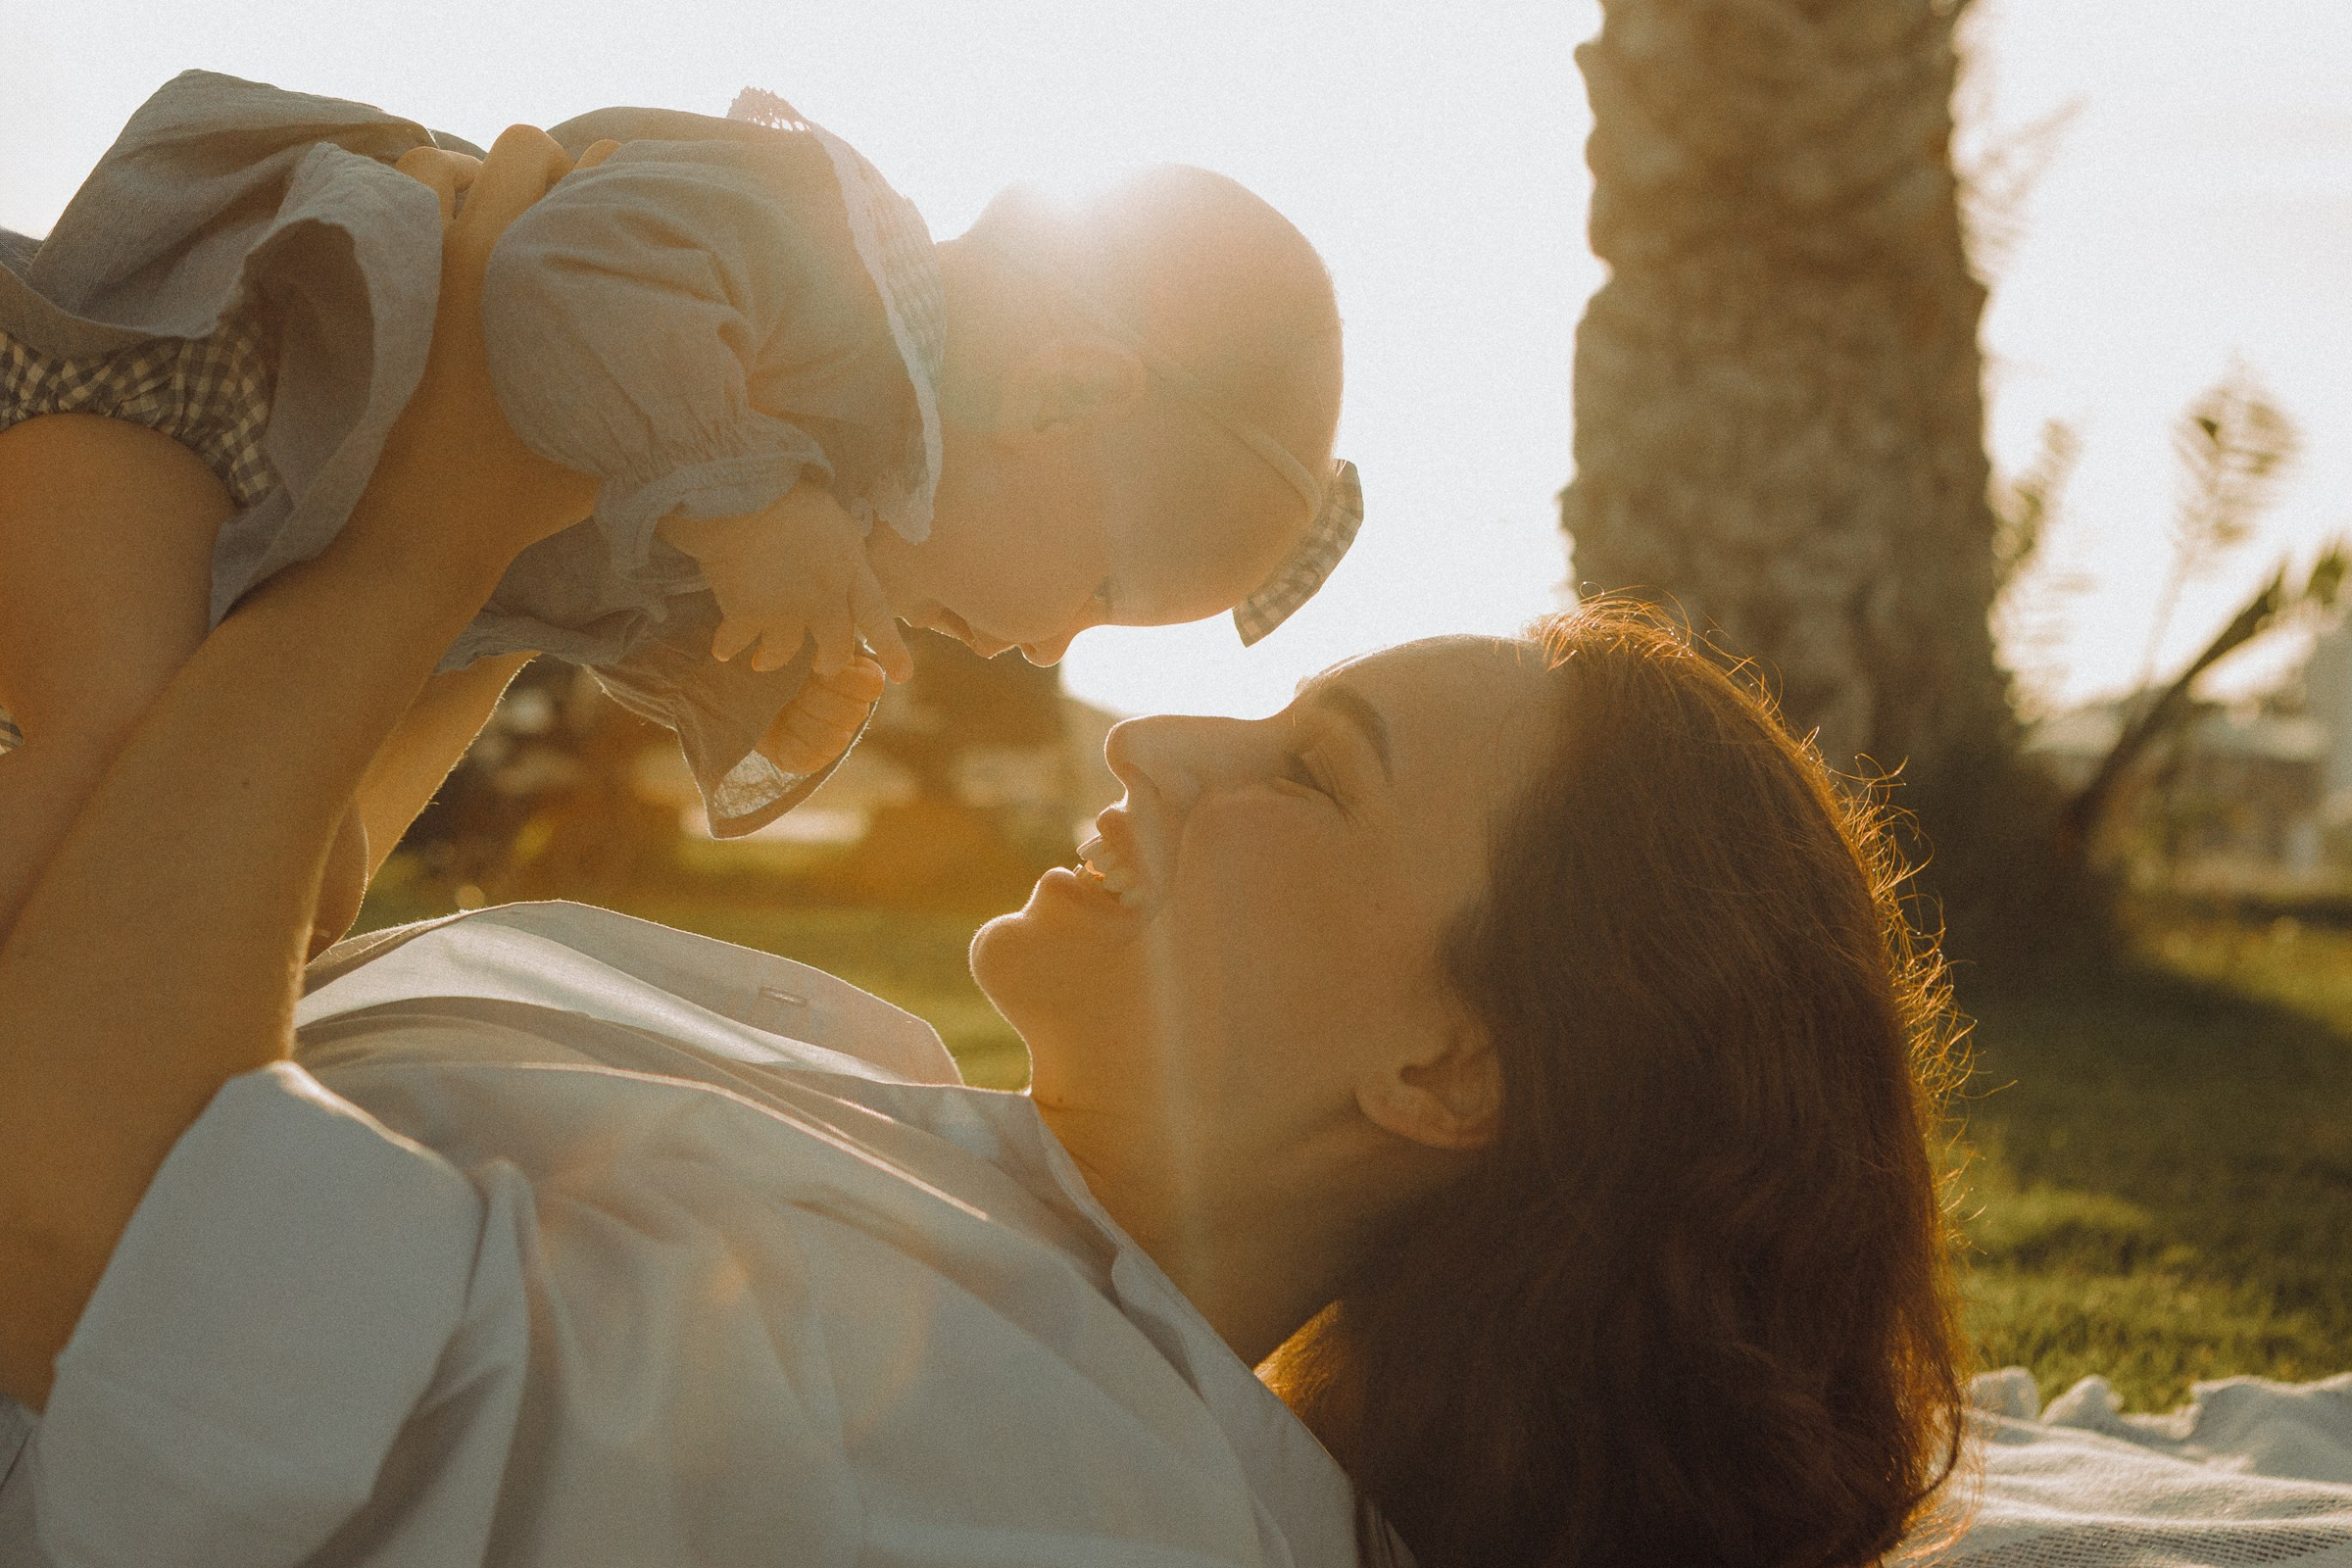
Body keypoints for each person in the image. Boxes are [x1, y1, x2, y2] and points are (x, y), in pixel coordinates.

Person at [0, 133, 1965, 1568]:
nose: (1167, 732)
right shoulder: (904, 1100)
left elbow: (76, 1241)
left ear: (1450, 1064)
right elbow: (237, 943)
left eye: (1315, 771)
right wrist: (499, 547)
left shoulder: (1022, 1462)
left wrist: (431, 527)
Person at [0, 69, 1358, 956]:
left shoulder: (815, 483)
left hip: (326, 568)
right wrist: (741, 491)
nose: (1057, 650)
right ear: (1063, 398)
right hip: (182, 391)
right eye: (1105, 595)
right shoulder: (825, 255)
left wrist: (775, 690)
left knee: (311, 892)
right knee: (104, 775)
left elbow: (606, 605)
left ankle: (131, 1107)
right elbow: (564, 264)